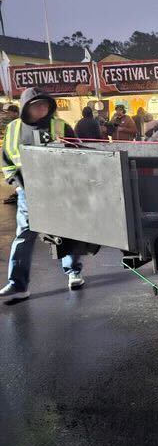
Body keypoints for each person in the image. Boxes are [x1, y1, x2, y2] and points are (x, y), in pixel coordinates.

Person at [0, 88, 84, 300]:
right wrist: (17, 185)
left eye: (45, 104)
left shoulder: (60, 126)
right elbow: (8, 160)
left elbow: (78, 154)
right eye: (37, 104)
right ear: (26, 107)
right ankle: (18, 284)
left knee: (67, 232)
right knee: (24, 237)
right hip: (29, 192)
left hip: (60, 190)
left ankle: (73, 272)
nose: (43, 107)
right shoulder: (14, 128)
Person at [1, 105, 20, 205]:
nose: (8, 114)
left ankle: (18, 193)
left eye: (9, 112)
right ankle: (17, 192)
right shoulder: (12, 124)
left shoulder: (19, 123)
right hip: (15, 159)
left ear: (15, 112)